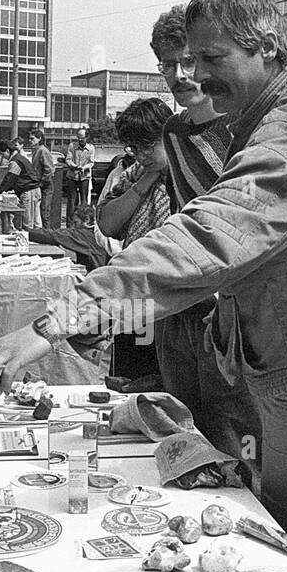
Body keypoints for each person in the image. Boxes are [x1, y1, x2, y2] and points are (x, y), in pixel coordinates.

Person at [0, 0, 287, 560]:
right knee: (266, 530)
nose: (198, 77)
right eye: (186, 61)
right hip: (284, 358)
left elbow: (203, 241)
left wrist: (57, 322)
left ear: (265, 44)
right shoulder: (274, 111)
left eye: (212, 59)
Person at [147, 3, 261, 487]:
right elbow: (184, 209)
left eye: (188, 61)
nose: (179, 75)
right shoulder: (173, 133)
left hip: (237, 301)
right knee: (186, 408)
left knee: (238, 423)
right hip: (187, 294)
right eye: (167, 64)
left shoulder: (241, 124)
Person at [95, 98, 173, 386]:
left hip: (177, 301)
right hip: (135, 296)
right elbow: (107, 222)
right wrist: (147, 178)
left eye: (146, 146)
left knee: (170, 384)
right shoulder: (136, 174)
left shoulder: (193, 175)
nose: (139, 155)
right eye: (134, 148)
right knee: (129, 380)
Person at [0, 136, 41, 227]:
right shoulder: (21, 158)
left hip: (28, 192)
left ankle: (29, 239)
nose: (4, 157)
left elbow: (9, 179)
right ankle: (39, 238)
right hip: (35, 190)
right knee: (36, 222)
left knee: (27, 223)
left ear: (7, 150)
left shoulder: (15, 162)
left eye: (3, 154)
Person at [63, 128, 95, 225]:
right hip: (72, 176)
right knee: (72, 201)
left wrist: (84, 167)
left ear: (86, 138)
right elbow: (68, 159)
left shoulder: (91, 148)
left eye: (82, 138)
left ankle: (83, 223)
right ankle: (70, 224)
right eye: (78, 138)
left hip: (84, 177)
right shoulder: (72, 146)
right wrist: (75, 166)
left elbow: (91, 162)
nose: (80, 140)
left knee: (84, 201)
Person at [28, 127, 56, 228]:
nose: (30, 141)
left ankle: (47, 232)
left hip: (45, 185)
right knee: (39, 211)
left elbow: (49, 170)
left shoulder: (43, 151)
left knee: (45, 211)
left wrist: (42, 182)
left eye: (32, 139)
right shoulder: (36, 151)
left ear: (39, 138)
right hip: (39, 184)